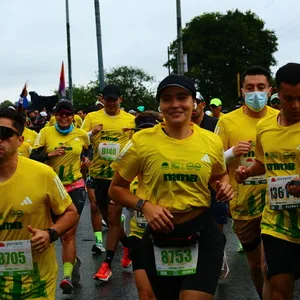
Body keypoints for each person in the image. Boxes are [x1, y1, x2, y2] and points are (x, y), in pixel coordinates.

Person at [109, 74, 233, 300]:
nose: (175, 104)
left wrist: (223, 186)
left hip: (202, 232)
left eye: (182, 97)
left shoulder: (211, 141)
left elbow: (219, 176)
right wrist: (144, 205)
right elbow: (116, 190)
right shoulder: (141, 141)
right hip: (159, 237)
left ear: (193, 102)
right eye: (167, 99)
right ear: (160, 105)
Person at [235, 62, 300, 300]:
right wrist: (248, 171)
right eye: (288, 99)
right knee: (278, 290)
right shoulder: (264, 127)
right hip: (277, 222)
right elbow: (264, 162)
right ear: (278, 95)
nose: (295, 106)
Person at [0, 108, 77, 299]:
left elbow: (71, 212)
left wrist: (50, 234)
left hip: (36, 283)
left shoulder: (43, 174)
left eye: (5, 133)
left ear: (20, 139)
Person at [215, 66, 278, 299]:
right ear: (242, 92)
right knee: (255, 265)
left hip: (279, 202)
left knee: (272, 264)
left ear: (269, 90)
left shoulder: (280, 119)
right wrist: (231, 152)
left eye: (260, 87)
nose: (255, 93)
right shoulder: (227, 122)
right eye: (250, 88)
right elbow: (212, 162)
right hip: (244, 204)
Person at [30, 101, 90, 293]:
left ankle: (66, 277)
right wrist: (50, 154)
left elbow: (87, 150)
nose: (64, 117)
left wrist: (86, 161)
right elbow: (32, 158)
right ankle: (71, 261)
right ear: (55, 116)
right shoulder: (46, 133)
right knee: (49, 232)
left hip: (75, 187)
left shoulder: (80, 134)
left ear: (73, 116)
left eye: (68, 114)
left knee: (68, 233)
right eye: (60, 114)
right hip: (51, 189)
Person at [81, 84, 135, 281]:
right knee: (106, 216)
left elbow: (138, 145)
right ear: (101, 99)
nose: (111, 103)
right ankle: (128, 247)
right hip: (98, 175)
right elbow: (80, 141)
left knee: (113, 219)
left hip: (119, 177)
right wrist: (91, 134)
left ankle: (107, 265)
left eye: (115, 99)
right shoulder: (92, 117)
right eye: (108, 99)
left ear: (121, 99)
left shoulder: (130, 120)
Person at [191, 91, 229, 279]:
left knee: (217, 222)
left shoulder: (215, 125)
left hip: (213, 181)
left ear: (203, 104)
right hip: (191, 183)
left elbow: (223, 156)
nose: (193, 106)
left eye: (196, 102)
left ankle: (218, 253)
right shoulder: (182, 125)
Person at [127, 112, 161, 300]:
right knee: (146, 294)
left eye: (150, 132)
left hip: (167, 236)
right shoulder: (129, 160)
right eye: (141, 132)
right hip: (139, 235)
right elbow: (115, 192)